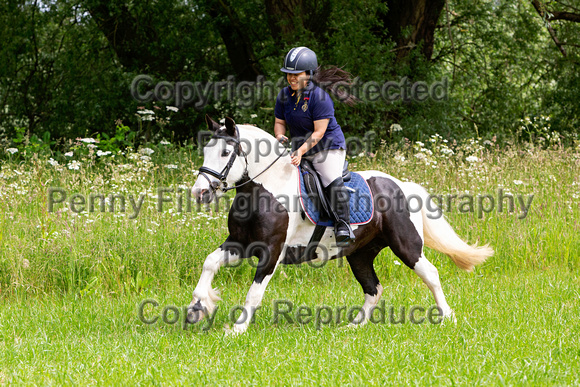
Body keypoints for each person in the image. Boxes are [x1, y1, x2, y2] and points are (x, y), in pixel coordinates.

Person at [274, 46, 357, 246]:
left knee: (329, 177)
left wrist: (301, 151)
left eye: (297, 74)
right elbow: (279, 122)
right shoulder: (284, 95)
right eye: (288, 75)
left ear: (309, 74)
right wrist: (279, 136)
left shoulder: (319, 98)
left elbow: (319, 133)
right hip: (299, 149)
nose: (292, 79)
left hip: (326, 148)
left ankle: (342, 225)